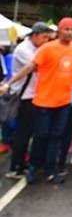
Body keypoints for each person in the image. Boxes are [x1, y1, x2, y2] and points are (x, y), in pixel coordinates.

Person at [0, 17, 72, 184]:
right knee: (41, 136)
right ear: (59, 31)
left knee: (56, 136)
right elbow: (30, 67)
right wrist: (10, 82)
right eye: (66, 29)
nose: (69, 32)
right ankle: (32, 168)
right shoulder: (47, 48)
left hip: (63, 102)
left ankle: (50, 170)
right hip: (43, 102)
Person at [5, 22, 52, 179]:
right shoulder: (23, 50)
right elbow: (40, 66)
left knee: (31, 132)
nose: (46, 40)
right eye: (44, 37)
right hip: (25, 96)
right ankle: (15, 166)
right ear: (35, 35)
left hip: (36, 95)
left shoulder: (37, 48)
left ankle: (23, 163)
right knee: (23, 133)